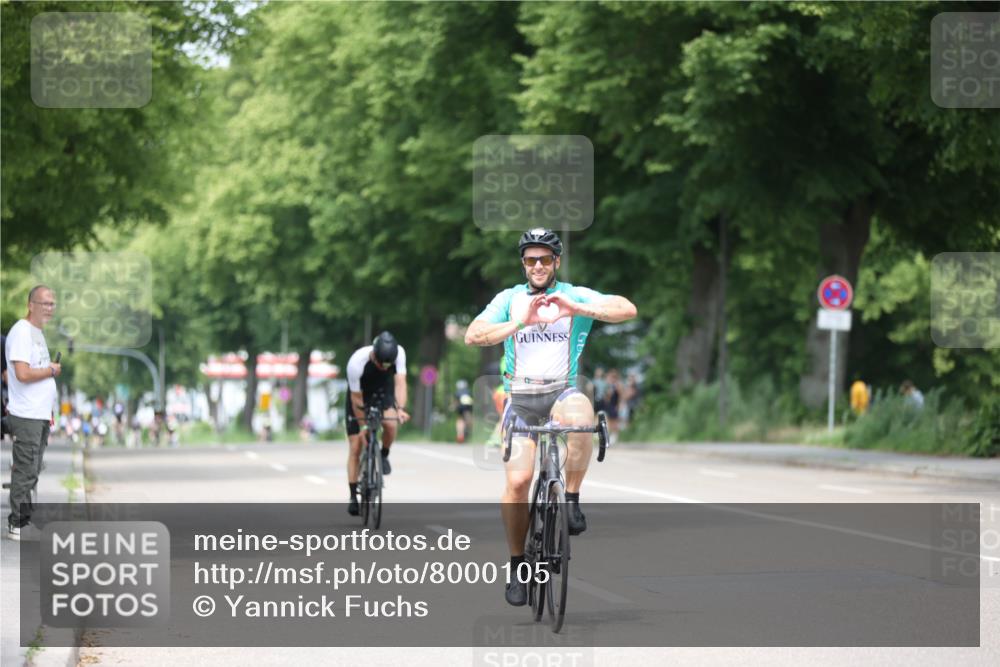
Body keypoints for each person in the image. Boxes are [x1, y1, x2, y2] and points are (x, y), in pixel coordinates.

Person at [464, 228, 638, 606]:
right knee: (519, 481)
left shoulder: (572, 294)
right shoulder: (509, 299)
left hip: (561, 391)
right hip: (521, 398)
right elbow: (473, 335)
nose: (538, 265)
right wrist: (520, 322)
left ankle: (571, 498)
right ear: (523, 264)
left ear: (556, 262)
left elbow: (626, 308)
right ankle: (516, 567)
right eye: (531, 259)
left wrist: (577, 310)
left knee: (582, 416)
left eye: (545, 259)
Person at [5, 285, 61, 540]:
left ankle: (24, 520)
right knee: (26, 470)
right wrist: (50, 371)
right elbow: (23, 373)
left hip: (38, 414)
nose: (50, 308)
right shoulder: (21, 332)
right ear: (31, 305)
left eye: (52, 304)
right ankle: (17, 522)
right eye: (45, 303)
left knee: (32, 469)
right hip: (26, 414)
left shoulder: (37, 334)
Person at [343, 331, 410, 516]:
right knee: (356, 446)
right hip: (359, 395)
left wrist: (401, 408)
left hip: (382, 391)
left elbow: (400, 384)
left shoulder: (399, 353)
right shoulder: (356, 363)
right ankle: (353, 496)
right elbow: (356, 398)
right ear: (373, 355)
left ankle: (384, 454)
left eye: (387, 365)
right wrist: (364, 426)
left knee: (390, 424)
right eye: (381, 364)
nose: (384, 367)